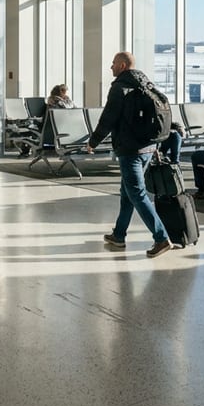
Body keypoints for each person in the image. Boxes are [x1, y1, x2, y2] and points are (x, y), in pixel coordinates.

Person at [84, 51, 172, 258]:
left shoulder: (120, 87)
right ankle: (119, 235)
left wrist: (93, 141)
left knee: (137, 193)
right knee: (127, 193)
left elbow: (108, 118)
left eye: (114, 63)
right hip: (148, 147)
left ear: (122, 65)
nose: (111, 67)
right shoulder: (146, 84)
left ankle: (161, 238)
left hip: (130, 148)